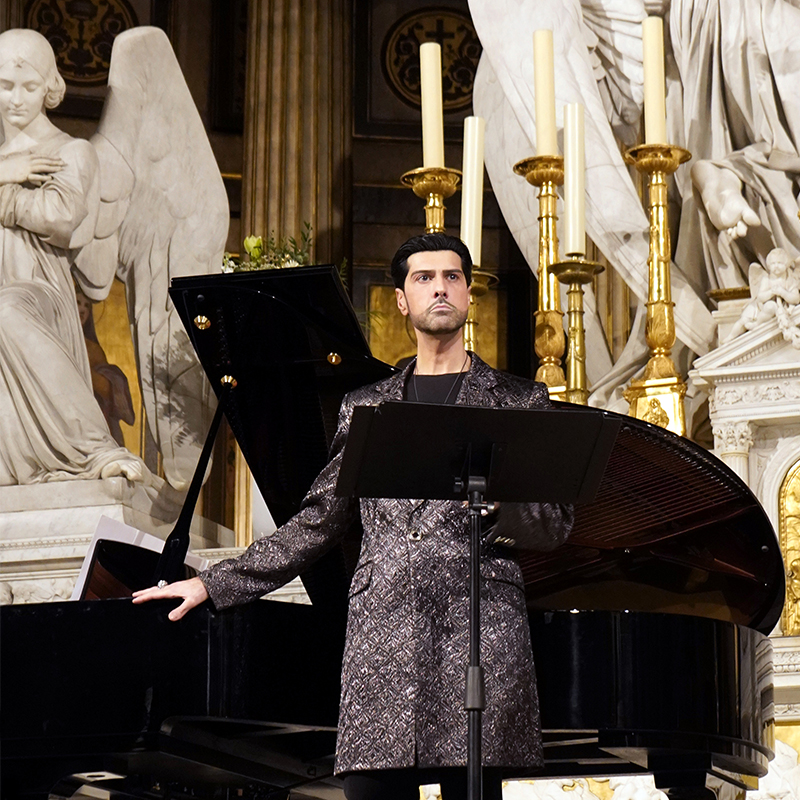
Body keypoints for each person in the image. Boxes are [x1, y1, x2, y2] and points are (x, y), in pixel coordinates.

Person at [133, 233, 574, 800]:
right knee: (369, 793)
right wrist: (215, 584)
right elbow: (320, 519)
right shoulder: (366, 405)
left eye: (452, 277)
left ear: (468, 295)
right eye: (424, 277)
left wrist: (496, 504)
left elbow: (554, 525)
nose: (439, 287)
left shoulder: (518, 400)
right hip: (382, 642)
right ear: (401, 300)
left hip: (479, 633)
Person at [0, 28, 145, 484]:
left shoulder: (71, 151)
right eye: (6, 86)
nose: (17, 98)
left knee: (4, 310)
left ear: (49, 88)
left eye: (29, 86)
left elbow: (59, 218)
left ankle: (92, 446)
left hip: (40, 294)